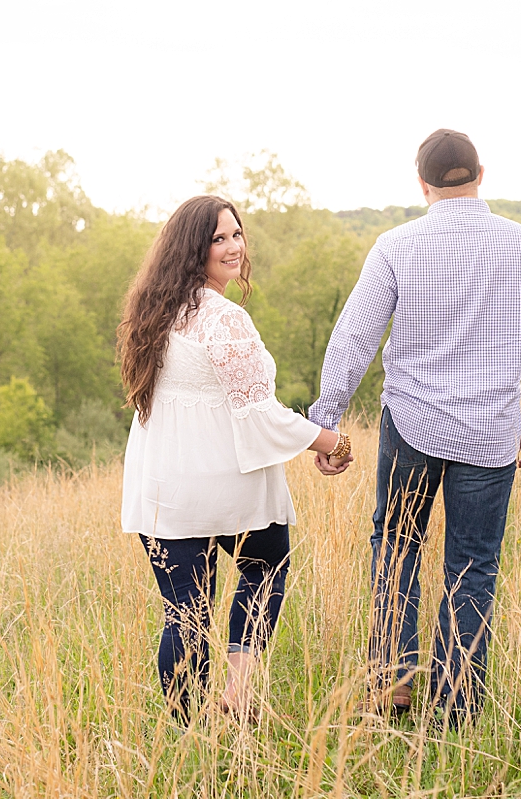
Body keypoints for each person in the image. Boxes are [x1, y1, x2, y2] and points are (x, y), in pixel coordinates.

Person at [308, 130, 521, 724]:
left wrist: (324, 421)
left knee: (396, 548)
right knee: (473, 564)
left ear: (421, 183)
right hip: (490, 434)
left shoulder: (396, 246)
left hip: (413, 425)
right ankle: (456, 703)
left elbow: (353, 340)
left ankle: (394, 683)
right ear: (482, 172)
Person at [118, 195, 351, 719]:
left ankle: (192, 737)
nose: (231, 247)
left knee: (185, 613)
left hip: (161, 487)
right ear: (191, 249)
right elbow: (261, 416)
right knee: (267, 566)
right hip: (222, 484)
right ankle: (239, 697)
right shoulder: (224, 320)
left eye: (236, 234)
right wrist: (331, 441)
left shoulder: (153, 311)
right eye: (216, 238)